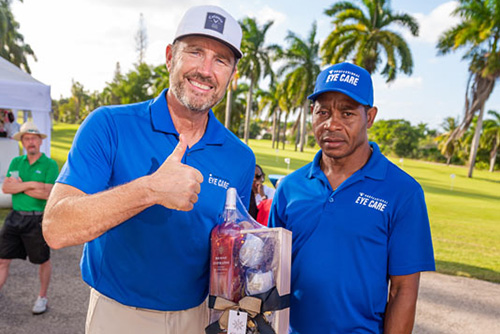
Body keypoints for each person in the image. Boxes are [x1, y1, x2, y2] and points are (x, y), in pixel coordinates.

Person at [42, 5, 255, 334]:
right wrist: (149, 190)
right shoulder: (109, 125)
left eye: (221, 60)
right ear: (170, 57)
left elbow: (230, 248)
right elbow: (56, 228)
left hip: (200, 318)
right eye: (195, 52)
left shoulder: (241, 158)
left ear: (232, 75)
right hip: (119, 316)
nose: (206, 69)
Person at [268, 62, 435, 334]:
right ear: (312, 114)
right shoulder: (290, 187)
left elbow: (403, 290)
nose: (332, 124)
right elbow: (272, 270)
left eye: (347, 113)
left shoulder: (403, 192)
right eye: (323, 112)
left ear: (369, 117)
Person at [0, 121, 59, 315]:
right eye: (26, 138)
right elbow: (6, 188)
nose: (30, 142)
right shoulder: (16, 162)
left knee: (42, 260)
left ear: (40, 142)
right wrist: (34, 185)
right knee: (2, 259)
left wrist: (22, 185)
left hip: (37, 220)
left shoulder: (50, 165)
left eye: (34, 138)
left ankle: (42, 297)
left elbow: (49, 193)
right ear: (23, 142)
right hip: (15, 217)